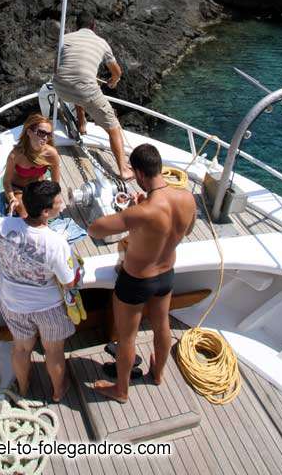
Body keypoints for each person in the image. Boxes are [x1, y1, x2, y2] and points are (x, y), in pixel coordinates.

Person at [87, 143, 196, 403]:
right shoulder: (187, 198)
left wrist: (131, 212)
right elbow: (187, 231)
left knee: (127, 338)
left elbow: (95, 229)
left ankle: (121, 391)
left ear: (139, 173)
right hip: (166, 275)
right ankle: (157, 374)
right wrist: (144, 208)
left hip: (136, 280)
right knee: (162, 326)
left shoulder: (142, 212)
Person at [0, 181, 76, 401]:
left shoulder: (2, 226)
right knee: (53, 352)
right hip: (49, 308)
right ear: (46, 212)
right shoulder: (56, 243)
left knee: (21, 349)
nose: (62, 206)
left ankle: (24, 388)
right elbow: (69, 282)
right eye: (59, 203)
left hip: (13, 305)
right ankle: (57, 391)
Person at [52, 12, 132, 180]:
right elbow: (117, 71)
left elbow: (57, 68)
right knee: (114, 128)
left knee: (80, 91)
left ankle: (82, 123)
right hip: (84, 90)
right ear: (94, 26)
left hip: (59, 88)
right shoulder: (101, 43)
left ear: (76, 26)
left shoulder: (64, 38)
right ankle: (124, 170)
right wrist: (113, 81)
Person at [3, 113, 60, 218]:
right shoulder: (15, 155)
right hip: (17, 188)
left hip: (37, 188)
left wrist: (51, 197)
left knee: (49, 211)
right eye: (41, 133)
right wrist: (12, 198)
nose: (45, 138)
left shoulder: (51, 154)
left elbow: (55, 184)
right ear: (29, 132)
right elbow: (6, 182)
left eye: (49, 134)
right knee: (25, 215)